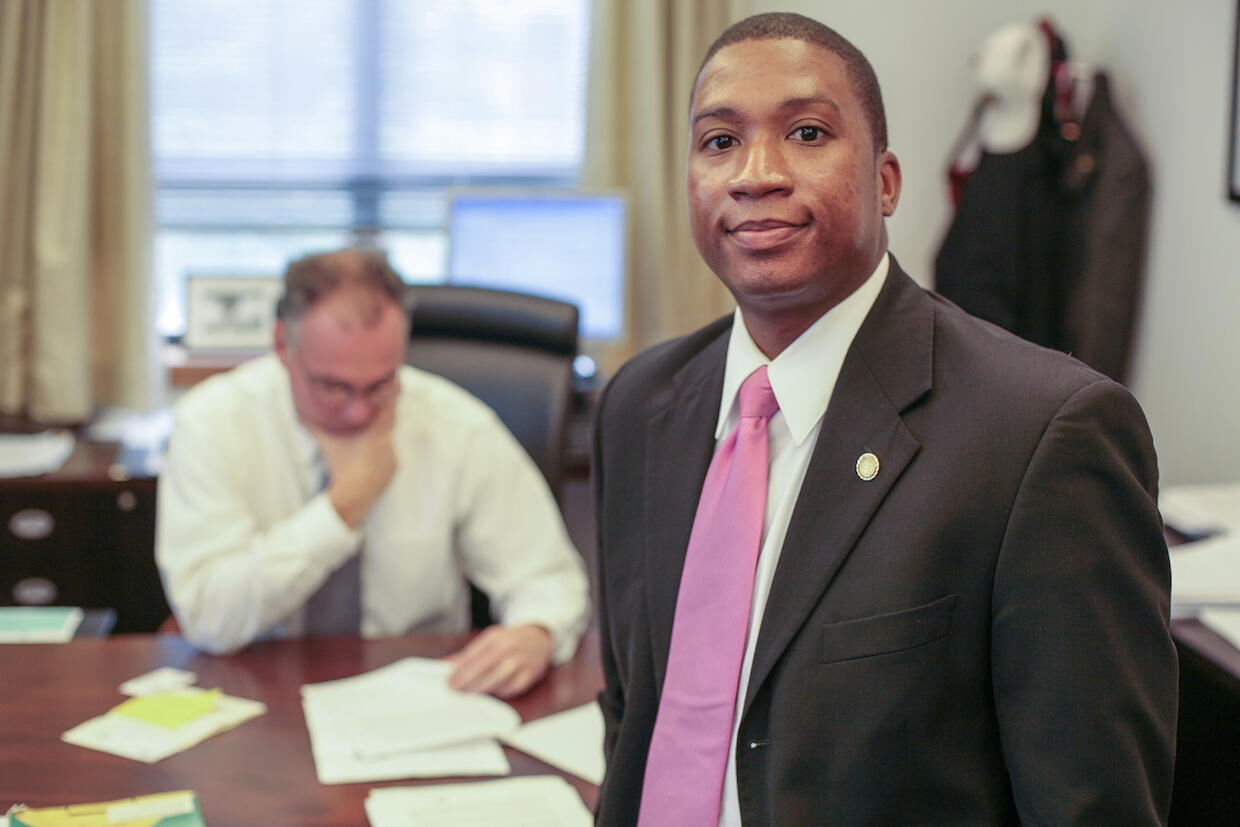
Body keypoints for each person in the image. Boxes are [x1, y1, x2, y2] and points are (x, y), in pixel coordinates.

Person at [592, 12, 1176, 825]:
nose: (754, 173)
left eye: (805, 132)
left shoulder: (1044, 435)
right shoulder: (638, 405)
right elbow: (635, 716)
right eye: (719, 141)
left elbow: (1090, 807)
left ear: (887, 180)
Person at [157, 248, 589, 698]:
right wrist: (344, 506)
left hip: (420, 693)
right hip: (254, 690)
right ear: (283, 346)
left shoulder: (456, 425)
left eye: (381, 384)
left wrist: (536, 632)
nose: (358, 411)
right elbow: (209, 618)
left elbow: (547, 578)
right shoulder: (212, 423)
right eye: (332, 387)